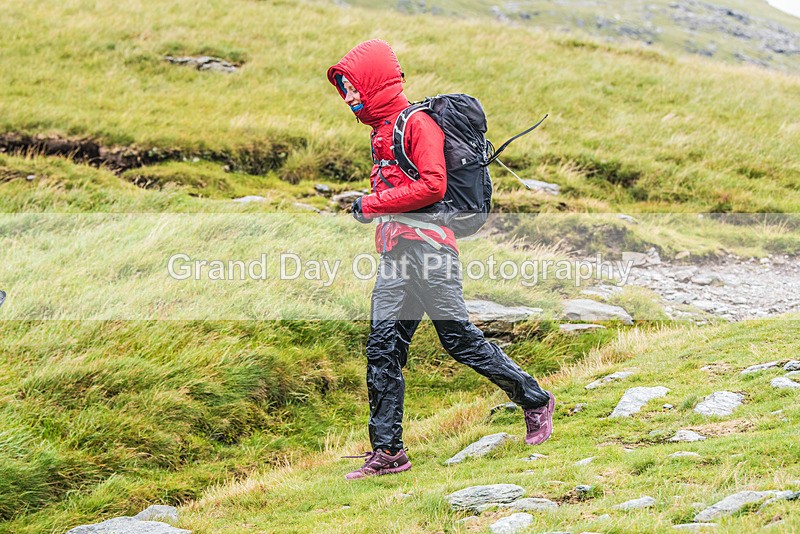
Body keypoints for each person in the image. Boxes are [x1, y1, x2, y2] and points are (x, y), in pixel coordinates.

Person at [327, 39, 554, 481]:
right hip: (397, 252)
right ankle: (389, 453)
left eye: (352, 87)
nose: (348, 96)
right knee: (382, 347)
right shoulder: (381, 130)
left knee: (458, 339)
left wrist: (371, 204)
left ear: (374, 83)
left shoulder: (417, 124)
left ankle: (536, 400)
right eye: (344, 89)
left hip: (430, 250)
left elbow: (434, 185)